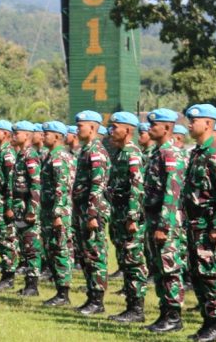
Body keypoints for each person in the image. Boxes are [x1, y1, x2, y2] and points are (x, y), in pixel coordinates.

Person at [182, 104, 216, 342]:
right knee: (199, 275)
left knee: (211, 275)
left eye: (194, 120)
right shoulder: (197, 152)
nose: (190, 124)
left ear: (208, 124)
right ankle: (208, 322)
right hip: (194, 225)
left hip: (207, 227)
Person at [143, 108, 187, 333]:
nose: (150, 128)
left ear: (167, 128)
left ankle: (174, 316)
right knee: (160, 269)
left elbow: (172, 193)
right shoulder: (158, 152)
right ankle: (164, 313)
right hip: (153, 219)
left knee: (170, 269)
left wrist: (163, 226)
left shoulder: (171, 153)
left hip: (165, 222)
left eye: (154, 125)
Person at [106, 111, 148, 323]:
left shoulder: (133, 154)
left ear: (128, 130)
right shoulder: (119, 154)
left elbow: (136, 187)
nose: (111, 131)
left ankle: (137, 309)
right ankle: (131, 306)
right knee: (125, 260)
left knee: (134, 262)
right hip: (118, 214)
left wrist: (132, 216)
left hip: (129, 217)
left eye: (115, 127)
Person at [71, 110, 112, 315]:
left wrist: (93, 214)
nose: (77, 129)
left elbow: (98, 185)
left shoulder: (96, 151)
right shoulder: (86, 150)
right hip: (82, 210)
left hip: (91, 212)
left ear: (93, 127)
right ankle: (91, 296)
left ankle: (97, 300)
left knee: (95, 254)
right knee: (85, 254)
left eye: (81, 126)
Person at [40, 120, 75, 307]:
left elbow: (62, 187)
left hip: (57, 212)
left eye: (47, 133)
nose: (43, 136)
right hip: (48, 210)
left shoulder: (59, 157)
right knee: (52, 248)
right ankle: (59, 290)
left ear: (57, 137)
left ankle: (63, 293)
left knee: (60, 249)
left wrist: (58, 213)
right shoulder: (50, 156)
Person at [9, 121, 43, 296]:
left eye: (17, 133)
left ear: (27, 135)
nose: (14, 136)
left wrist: (32, 209)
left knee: (31, 247)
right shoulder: (21, 155)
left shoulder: (30, 155)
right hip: (19, 208)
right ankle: (29, 283)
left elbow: (36, 184)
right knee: (24, 245)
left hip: (28, 208)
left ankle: (33, 285)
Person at [0, 120, 20, 290]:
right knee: (0, 237)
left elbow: (10, 183)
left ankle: (9, 276)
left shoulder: (8, 154)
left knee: (7, 239)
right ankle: (5, 273)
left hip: (3, 203)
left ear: (6, 134)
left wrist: (9, 206)